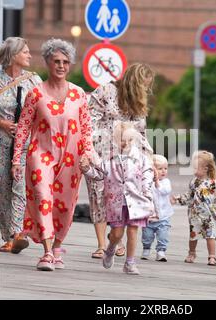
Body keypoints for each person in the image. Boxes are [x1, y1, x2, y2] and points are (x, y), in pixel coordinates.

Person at [11, 38, 93, 271]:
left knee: (65, 206)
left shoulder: (79, 95)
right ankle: (47, 253)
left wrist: (88, 153)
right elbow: (24, 127)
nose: (61, 66)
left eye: (65, 62)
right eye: (56, 61)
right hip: (41, 154)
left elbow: (86, 129)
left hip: (72, 158)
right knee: (43, 197)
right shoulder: (35, 93)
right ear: (47, 62)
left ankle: (57, 246)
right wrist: (17, 159)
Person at [0, 37, 42, 253]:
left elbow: (43, 108)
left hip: (25, 141)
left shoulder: (34, 81)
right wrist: (1, 123)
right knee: (3, 187)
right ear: (13, 55)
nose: (29, 55)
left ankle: (17, 233)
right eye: (25, 52)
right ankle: (7, 236)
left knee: (20, 185)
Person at [86, 63, 155, 259]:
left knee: (122, 198)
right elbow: (90, 119)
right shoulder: (106, 91)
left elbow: (141, 134)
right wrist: (91, 149)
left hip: (127, 158)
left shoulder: (138, 104)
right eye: (144, 86)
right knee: (97, 193)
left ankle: (116, 237)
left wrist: (149, 158)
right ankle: (101, 244)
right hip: (101, 152)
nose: (146, 91)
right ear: (135, 83)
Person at [80, 122, 154, 275]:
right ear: (114, 140)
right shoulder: (110, 159)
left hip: (136, 200)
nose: (126, 143)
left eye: (129, 140)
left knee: (133, 231)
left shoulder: (141, 158)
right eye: (122, 140)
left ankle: (130, 262)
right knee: (117, 234)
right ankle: (110, 248)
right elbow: (99, 175)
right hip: (117, 203)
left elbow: (148, 173)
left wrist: (146, 189)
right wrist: (87, 169)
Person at [172, 151, 216, 266]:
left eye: (195, 168)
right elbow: (189, 196)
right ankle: (192, 253)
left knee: (210, 236)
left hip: (210, 215)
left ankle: (212, 256)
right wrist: (178, 199)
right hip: (195, 214)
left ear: (205, 169)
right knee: (193, 235)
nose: (193, 170)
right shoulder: (193, 182)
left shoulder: (215, 182)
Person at [141, 154, 174, 262]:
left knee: (163, 235)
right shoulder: (147, 182)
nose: (163, 171)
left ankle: (161, 251)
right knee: (147, 235)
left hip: (163, 216)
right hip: (149, 215)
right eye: (160, 169)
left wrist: (157, 182)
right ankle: (146, 249)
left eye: (165, 168)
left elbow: (165, 191)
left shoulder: (166, 182)